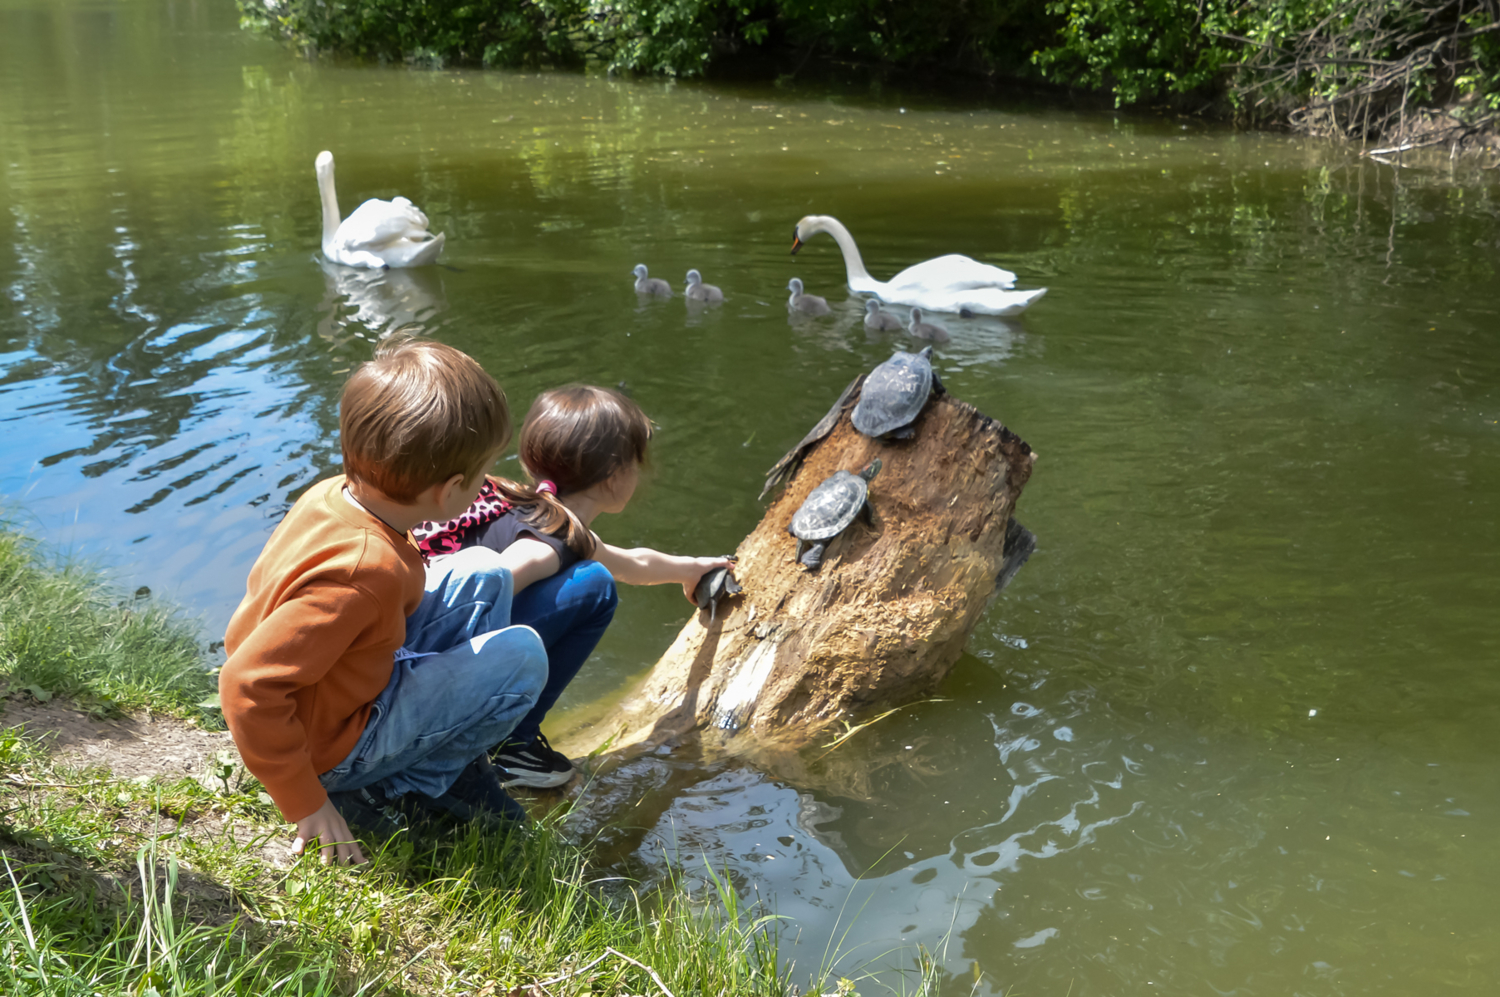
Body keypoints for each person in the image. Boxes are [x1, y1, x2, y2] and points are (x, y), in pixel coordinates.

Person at [220, 337, 547, 866]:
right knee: (523, 658)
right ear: (451, 490)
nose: (488, 482)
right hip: (329, 749)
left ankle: (440, 756)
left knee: (485, 572)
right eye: (484, 471)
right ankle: (386, 792)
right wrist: (307, 801)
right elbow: (245, 685)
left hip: (339, 684)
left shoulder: (339, 494)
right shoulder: (362, 573)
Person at [412, 384, 731, 789]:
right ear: (615, 477)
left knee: (592, 575)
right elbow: (494, 579)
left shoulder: (525, 505)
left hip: (418, 649)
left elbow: (632, 563)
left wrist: (691, 569)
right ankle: (512, 746)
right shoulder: (552, 540)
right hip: (432, 662)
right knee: (594, 589)